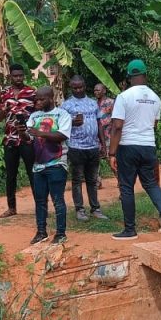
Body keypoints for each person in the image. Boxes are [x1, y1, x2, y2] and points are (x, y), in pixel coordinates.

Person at [108, 60, 161, 241]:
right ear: (145, 75)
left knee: (127, 187)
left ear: (129, 77)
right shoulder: (155, 98)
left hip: (128, 146)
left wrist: (112, 153)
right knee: (151, 184)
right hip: (148, 146)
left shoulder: (123, 97)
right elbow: (153, 125)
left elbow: (117, 126)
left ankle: (130, 230)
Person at [26, 86, 71, 245]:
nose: (37, 102)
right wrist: (21, 133)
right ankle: (41, 232)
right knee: (40, 200)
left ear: (51, 98)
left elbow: (62, 135)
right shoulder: (34, 116)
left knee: (57, 199)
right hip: (38, 165)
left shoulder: (62, 114)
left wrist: (40, 133)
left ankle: (60, 233)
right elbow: (28, 139)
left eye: (41, 99)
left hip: (57, 163)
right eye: (36, 99)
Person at [61, 75, 107, 221]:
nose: (78, 90)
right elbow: (62, 126)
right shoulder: (66, 105)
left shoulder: (93, 103)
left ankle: (95, 208)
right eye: (75, 88)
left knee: (92, 180)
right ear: (71, 88)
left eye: (80, 87)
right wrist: (73, 123)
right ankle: (80, 209)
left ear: (84, 85)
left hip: (93, 147)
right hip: (76, 147)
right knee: (77, 179)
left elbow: (99, 123)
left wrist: (103, 144)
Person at [0, 63, 36, 218]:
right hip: (10, 139)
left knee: (33, 173)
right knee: (10, 174)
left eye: (21, 75)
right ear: (10, 76)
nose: (18, 78)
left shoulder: (32, 92)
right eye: (15, 76)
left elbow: (39, 114)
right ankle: (11, 208)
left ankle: (40, 205)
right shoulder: (4, 93)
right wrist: (5, 110)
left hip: (28, 139)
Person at [93, 82, 115, 190]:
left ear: (104, 90)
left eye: (98, 90)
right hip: (96, 136)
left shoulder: (111, 102)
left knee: (110, 158)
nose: (96, 92)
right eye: (95, 90)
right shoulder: (93, 104)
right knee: (95, 160)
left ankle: (120, 179)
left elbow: (116, 119)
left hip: (109, 135)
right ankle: (97, 182)